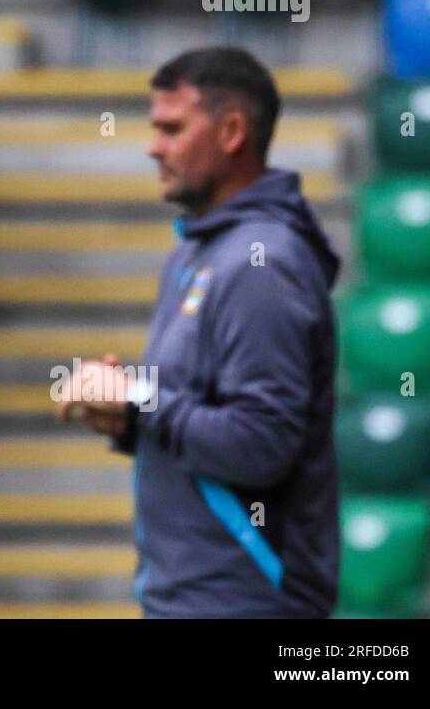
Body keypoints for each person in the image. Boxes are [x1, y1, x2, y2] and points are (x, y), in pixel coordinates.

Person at [57, 47, 341, 618]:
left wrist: (140, 396)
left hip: (247, 603)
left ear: (233, 131)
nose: (152, 146)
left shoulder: (263, 264)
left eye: (172, 128)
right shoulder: (196, 251)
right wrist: (129, 414)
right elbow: (195, 418)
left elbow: (262, 445)